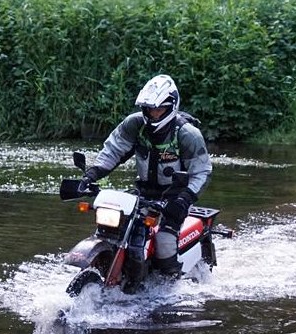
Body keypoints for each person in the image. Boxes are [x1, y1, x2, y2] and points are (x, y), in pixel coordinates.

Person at [78, 74, 212, 277]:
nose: (154, 114)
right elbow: (113, 150)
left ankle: (170, 286)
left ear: (171, 106)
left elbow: (201, 171)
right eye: (149, 109)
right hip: (142, 192)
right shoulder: (135, 124)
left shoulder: (187, 134)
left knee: (164, 240)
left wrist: (184, 199)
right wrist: (91, 174)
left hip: (174, 195)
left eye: (159, 109)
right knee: (114, 228)